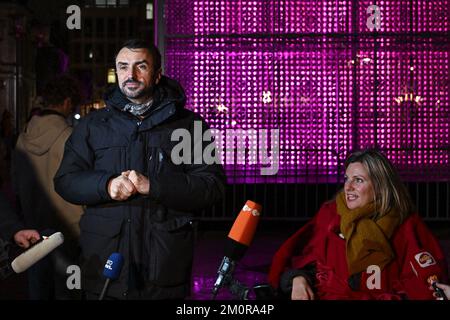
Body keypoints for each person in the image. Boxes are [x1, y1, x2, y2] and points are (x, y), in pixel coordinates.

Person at [54, 39, 226, 300]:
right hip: (104, 267)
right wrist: (106, 185)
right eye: (123, 67)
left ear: (157, 74)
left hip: (164, 269)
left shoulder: (189, 125)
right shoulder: (93, 125)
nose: (130, 75)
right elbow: (66, 180)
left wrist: (154, 185)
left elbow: (212, 186)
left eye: (140, 66)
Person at [268, 149, 448, 300]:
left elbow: (424, 283)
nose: (348, 187)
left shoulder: (405, 225)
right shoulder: (330, 216)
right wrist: (298, 279)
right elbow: (302, 261)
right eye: (347, 179)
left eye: (358, 180)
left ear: (380, 186)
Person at [13, 74, 85, 299]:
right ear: (66, 102)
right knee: (70, 292)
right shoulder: (71, 138)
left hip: (34, 231)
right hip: (69, 231)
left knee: (39, 291)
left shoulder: (22, 137)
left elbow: (15, 185)